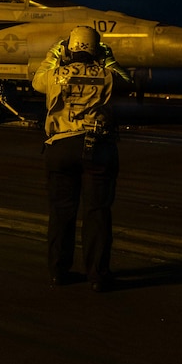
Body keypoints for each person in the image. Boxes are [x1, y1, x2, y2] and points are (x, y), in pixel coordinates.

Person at [32, 26, 133, 292]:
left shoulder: (54, 75)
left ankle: (58, 272)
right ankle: (98, 276)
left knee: (61, 212)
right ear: (97, 50)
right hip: (97, 148)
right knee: (97, 212)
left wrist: (53, 54)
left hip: (60, 148)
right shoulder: (107, 75)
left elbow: (36, 81)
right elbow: (127, 82)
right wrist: (109, 59)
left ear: (69, 49)